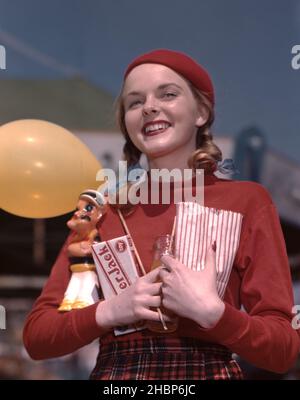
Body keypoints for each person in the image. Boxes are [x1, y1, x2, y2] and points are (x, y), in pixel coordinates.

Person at [23, 49, 300, 380]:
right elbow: (38, 337)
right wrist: (111, 310)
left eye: (168, 94)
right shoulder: (100, 213)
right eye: (135, 102)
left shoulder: (247, 201)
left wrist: (213, 313)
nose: (150, 106)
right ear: (126, 123)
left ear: (201, 112)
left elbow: (282, 351)